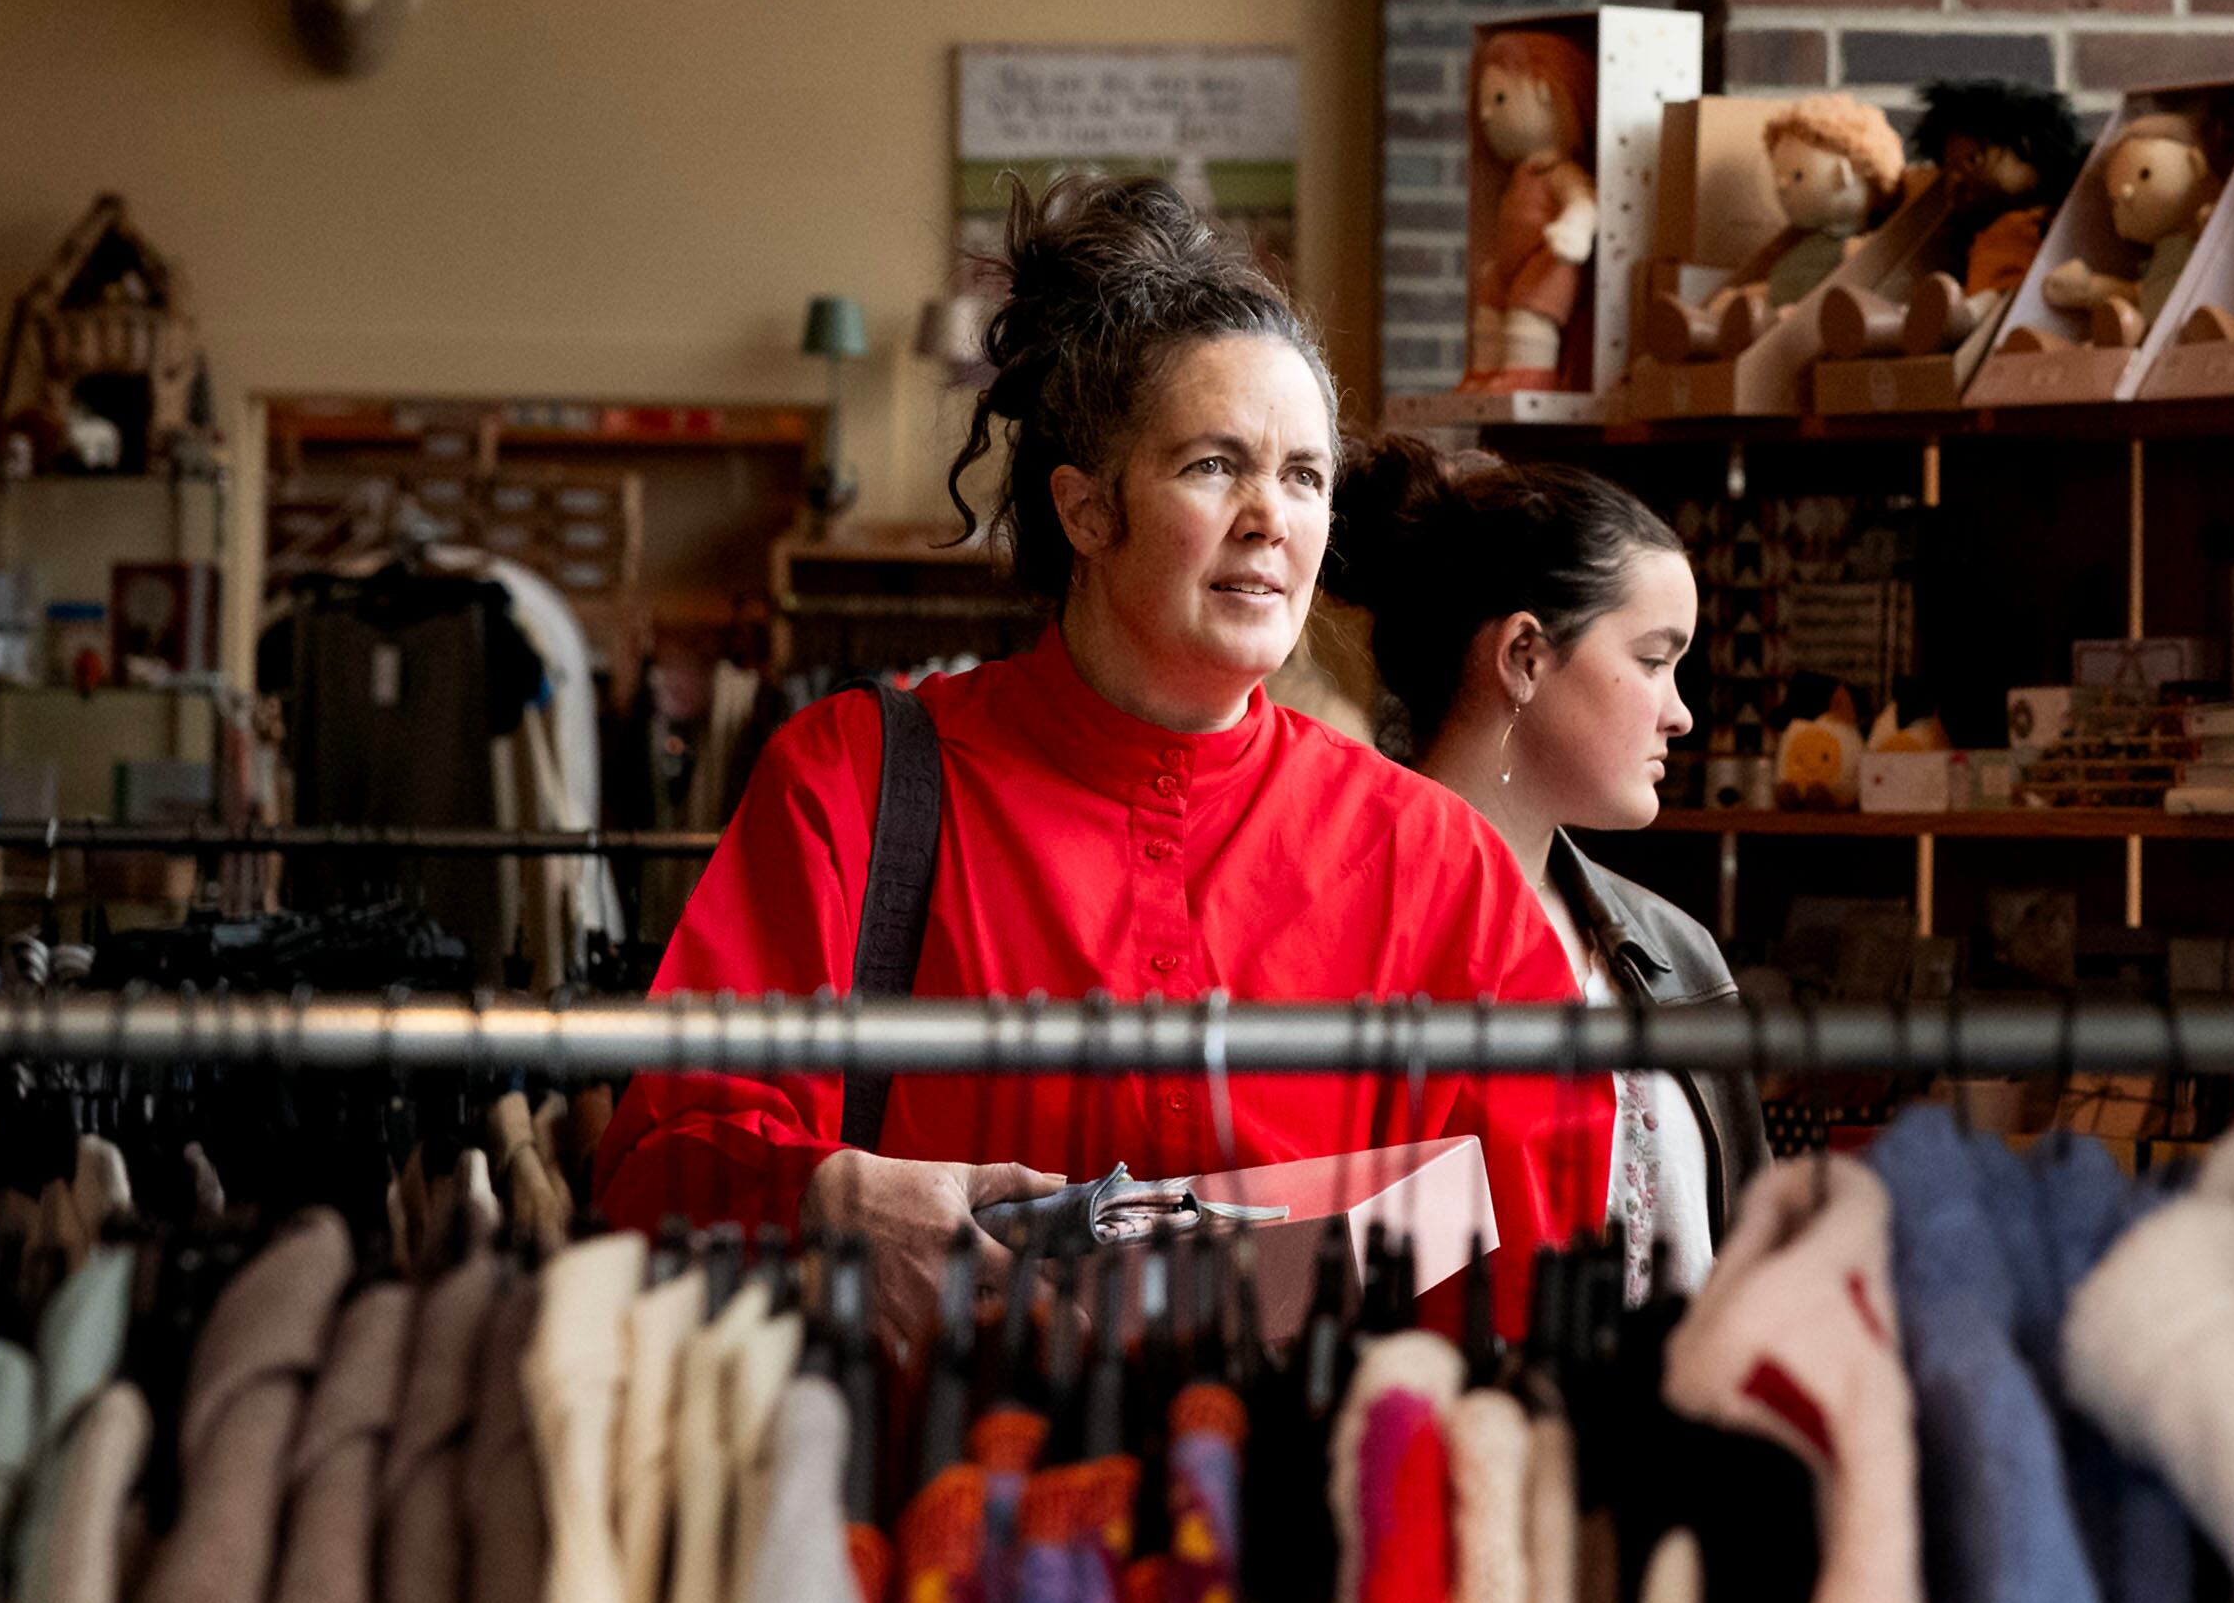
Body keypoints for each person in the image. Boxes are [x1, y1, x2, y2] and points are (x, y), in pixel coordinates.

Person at [596, 177, 1608, 1344]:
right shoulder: (855, 783)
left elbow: (1560, 1268)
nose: (1271, 517)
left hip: (1300, 1509)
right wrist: (827, 1198)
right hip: (930, 1503)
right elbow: (649, 1170)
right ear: (1084, 509)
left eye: (1304, 475)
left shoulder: (1433, 856)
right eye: (1213, 465)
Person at [1323, 435, 1768, 1303]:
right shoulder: (1337, 929)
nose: (1679, 712)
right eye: (1653, 659)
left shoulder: (1678, 954)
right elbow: (1291, 1269)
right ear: (1524, 656)